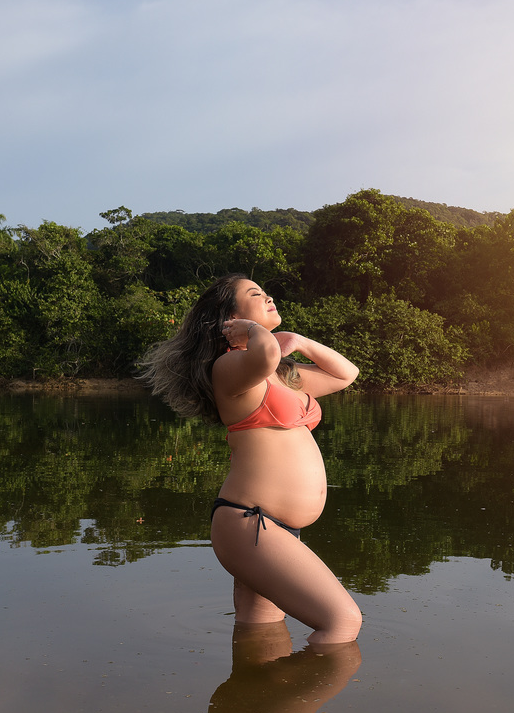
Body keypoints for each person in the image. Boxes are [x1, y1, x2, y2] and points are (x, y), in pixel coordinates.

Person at [139, 273, 362, 646]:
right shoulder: (229, 369)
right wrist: (252, 332)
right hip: (251, 524)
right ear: (230, 317)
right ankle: (300, 698)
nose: (269, 296)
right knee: (342, 622)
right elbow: (266, 354)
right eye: (256, 294)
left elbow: (346, 374)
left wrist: (300, 341)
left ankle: (247, 704)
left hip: (273, 530)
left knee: (261, 637)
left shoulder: (281, 376)